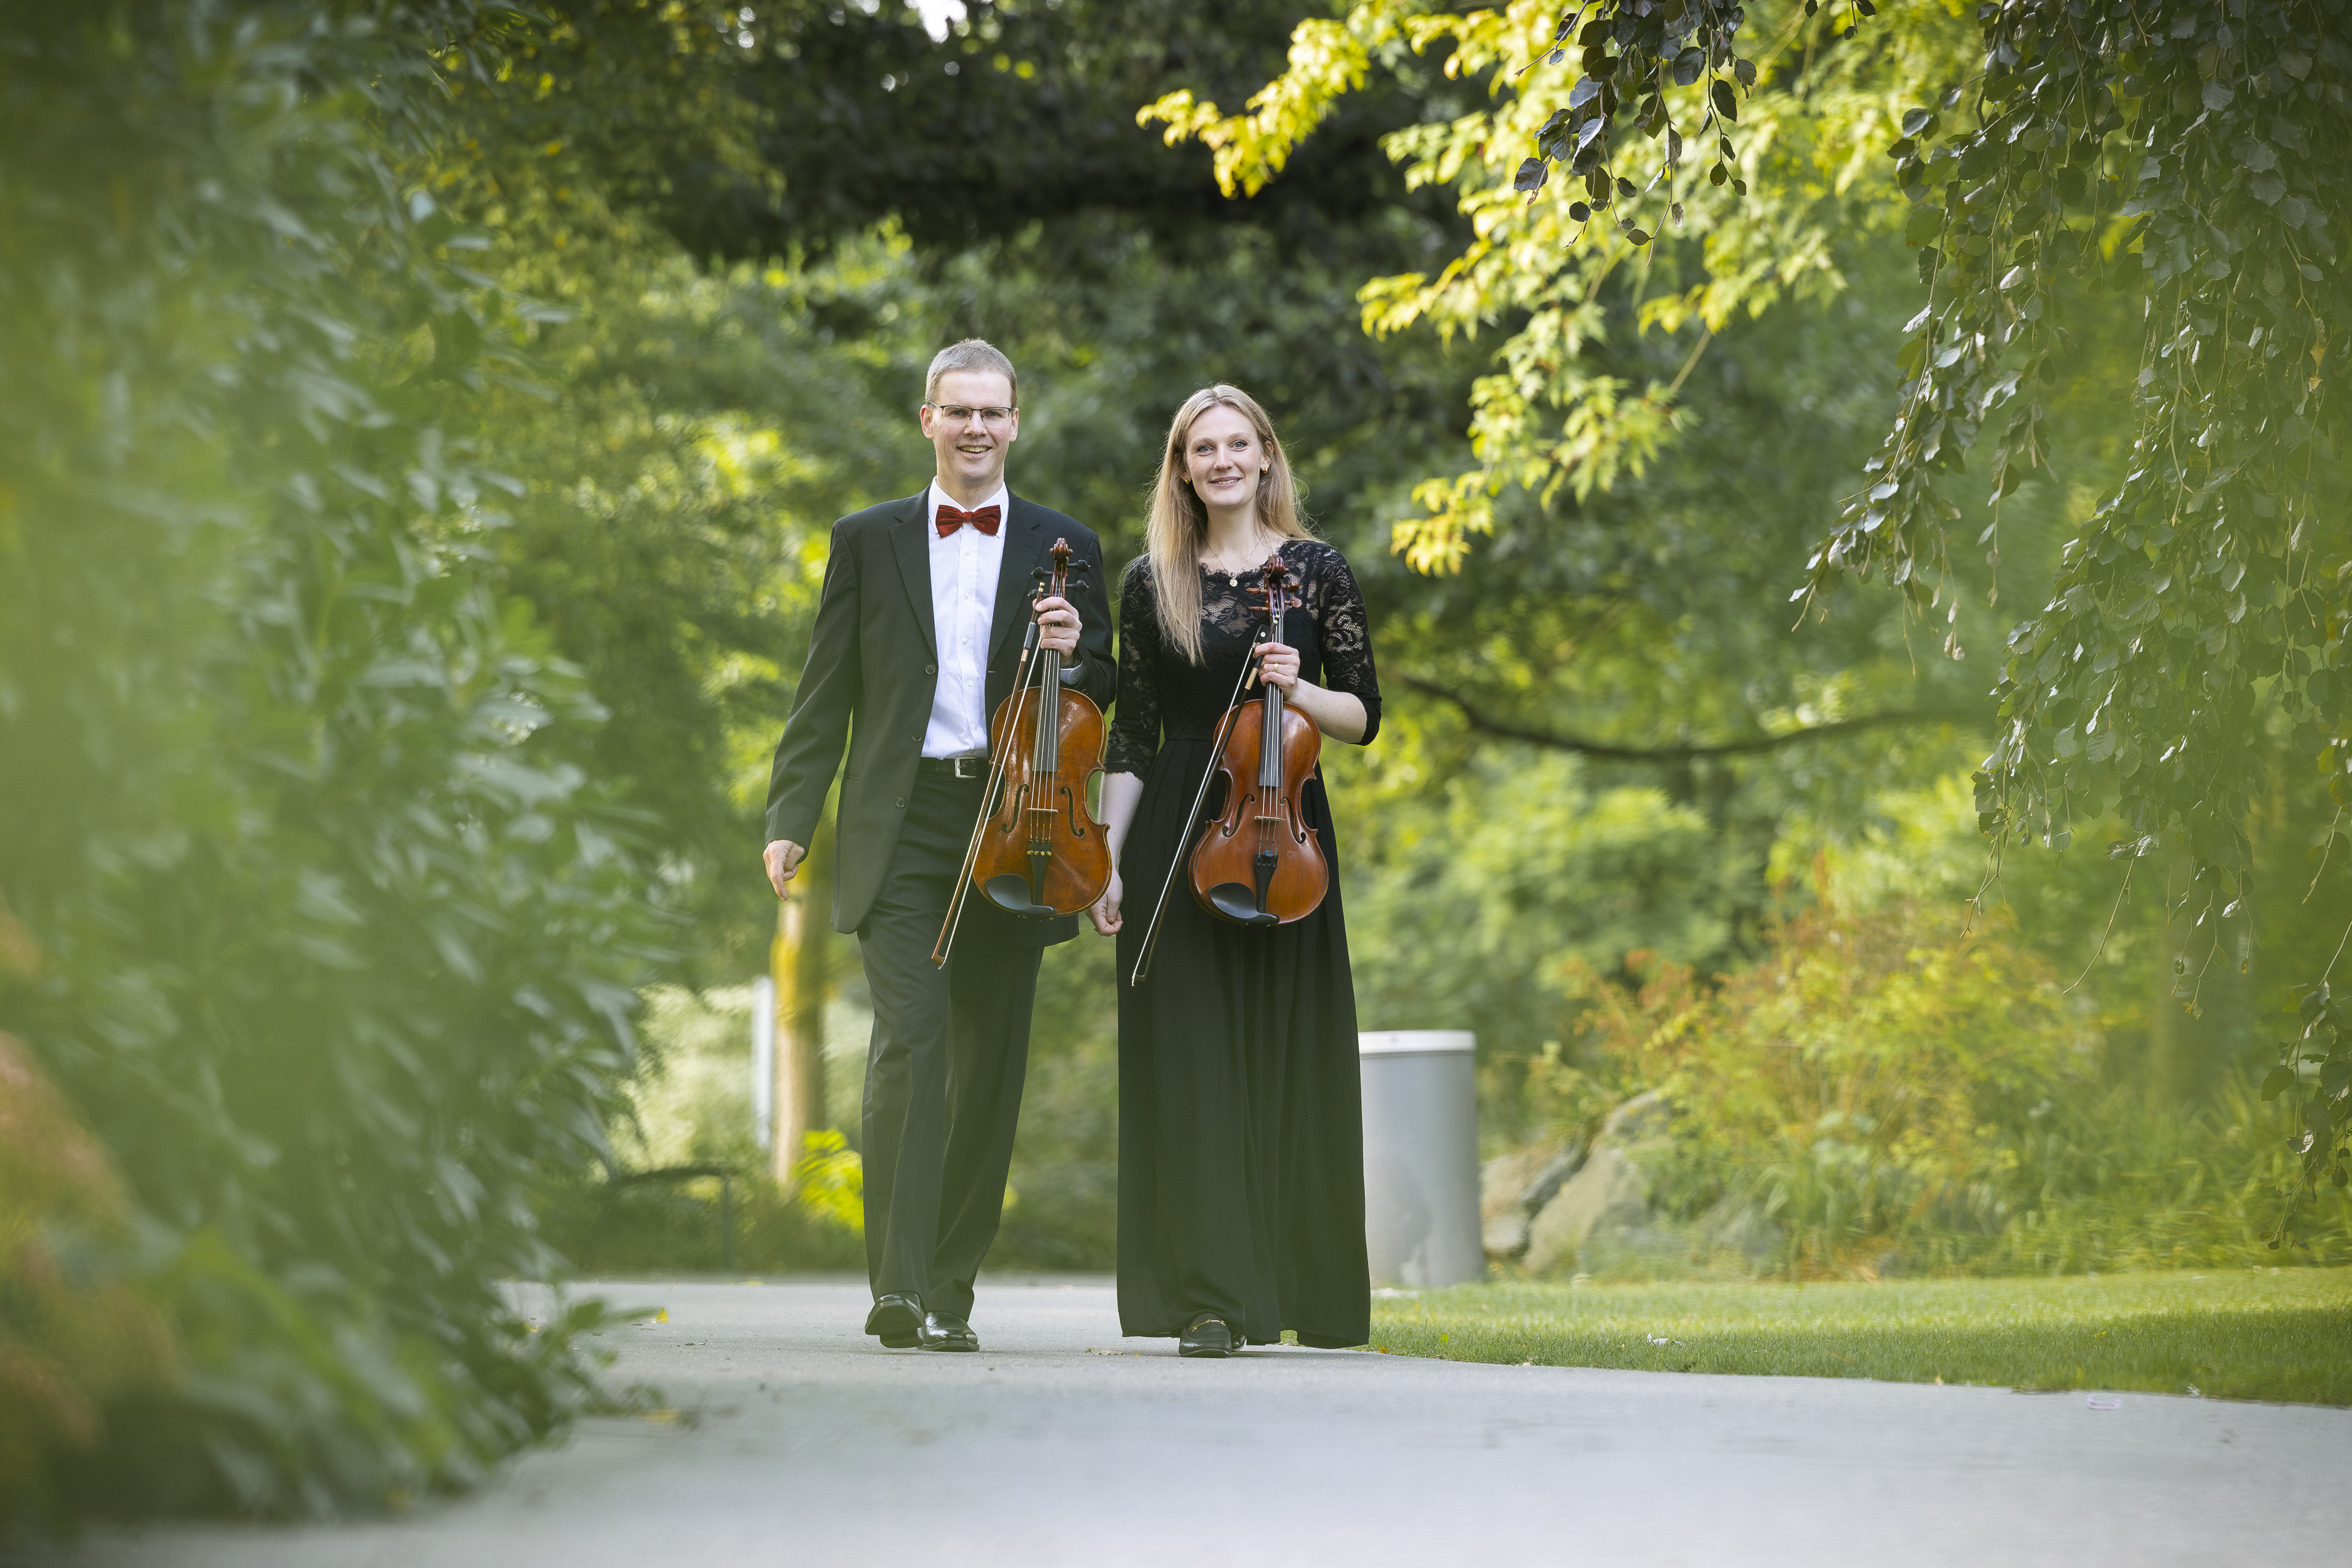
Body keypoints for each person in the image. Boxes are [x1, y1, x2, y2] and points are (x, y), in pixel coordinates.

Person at [763, 339, 1114, 1353]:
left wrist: (1074, 652)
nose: (975, 428)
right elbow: (826, 689)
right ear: (928, 420)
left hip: (1022, 821)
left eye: (992, 412)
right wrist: (791, 815)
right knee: (909, 1047)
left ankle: (951, 1287)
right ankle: (899, 1286)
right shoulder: (865, 539)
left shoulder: (1067, 543)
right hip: (904, 818)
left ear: (1016, 424)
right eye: (958, 411)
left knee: (988, 1068)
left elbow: (1104, 684)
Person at [1087, 384, 1381, 1358]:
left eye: (1236, 444)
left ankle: (1303, 1289)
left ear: (1265, 458)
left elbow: (1364, 715)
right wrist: (1107, 859)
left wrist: (1303, 688)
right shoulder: (1153, 580)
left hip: (1283, 832)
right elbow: (1132, 733)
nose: (1221, 461)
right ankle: (1211, 1300)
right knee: (1193, 1063)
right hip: (1178, 827)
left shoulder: (1319, 570)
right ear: (1182, 469)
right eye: (1201, 448)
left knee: (1287, 1057)